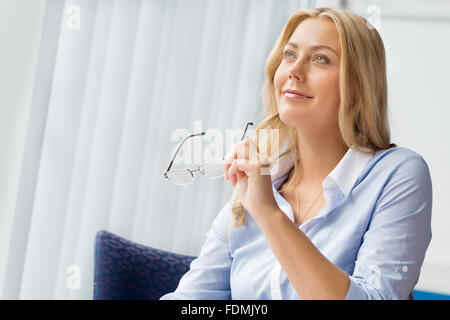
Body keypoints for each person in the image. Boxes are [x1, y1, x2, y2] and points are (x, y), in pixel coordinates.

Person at [160, 7, 432, 300]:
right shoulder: (258, 186)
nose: (294, 70)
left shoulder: (398, 174)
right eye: (289, 55)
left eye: (320, 59)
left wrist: (269, 214)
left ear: (356, 86)